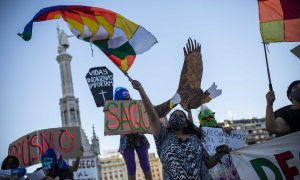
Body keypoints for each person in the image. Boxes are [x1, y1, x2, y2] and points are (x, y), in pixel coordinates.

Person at [131, 80, 230, 179]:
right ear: (169, 122)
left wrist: (220, 153)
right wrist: (141, 90)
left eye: (181, 116)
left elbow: (208, 163)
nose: (177, 117)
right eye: (174, 115)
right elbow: (152, 114)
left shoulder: (195, 138)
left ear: (186, 123)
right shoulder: (162, 136)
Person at [114, 87, 152, 180]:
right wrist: (109, 112)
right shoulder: (116, 110)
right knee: (131, 168)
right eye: (124, 99)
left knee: (145, 164)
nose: (127, 100)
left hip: (138, 138)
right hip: (126, 141)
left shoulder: (137, 106)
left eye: (128, 98)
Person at [198, 106, 240, 180]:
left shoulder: (223, 131)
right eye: (205, 118)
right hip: (212, 171)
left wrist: (231, 131)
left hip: (230, 167)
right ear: (201, 120)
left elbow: (237, 144)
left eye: (210, 117)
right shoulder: (198, 135)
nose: (208, 120)